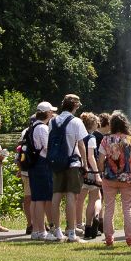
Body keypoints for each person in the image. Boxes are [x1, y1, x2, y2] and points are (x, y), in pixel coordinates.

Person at [49, 95, 88, 243]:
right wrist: (85, 163)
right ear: (74, 106)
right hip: (72, 162)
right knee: (71, 196)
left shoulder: (52, 121)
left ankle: (57, 231)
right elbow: (81, 144)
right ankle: (71, 232)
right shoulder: (76, 121)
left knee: (56, 195)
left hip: (56, 162)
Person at [99, 111, 131, 247]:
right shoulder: (130, 140)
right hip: (127, 178)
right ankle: (130, 239)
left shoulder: (105, 140)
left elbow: (100, 160)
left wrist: (102, 172)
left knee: (109, 208)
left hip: (109, 178)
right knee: (128, 208)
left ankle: (109, 238)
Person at [26, 101, 55, 240]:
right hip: (42, 165)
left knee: (37, 198)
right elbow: (47, 147)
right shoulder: (43, 128)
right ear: (47, 113)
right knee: (42, 198)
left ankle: (36, 230)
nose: (53, 114)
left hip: (34, 165)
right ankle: (42, 231)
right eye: (51, 112)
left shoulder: (32, 127)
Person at [80, 111, 104, 239]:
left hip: (81, 172)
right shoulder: (91, 138)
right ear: (93, 124)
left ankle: (87, 228)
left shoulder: (80, 137)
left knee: (83, 199)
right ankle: (95, 217)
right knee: (95, 199)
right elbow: (91, 156)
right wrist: (96, 173)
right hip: (91, 171)